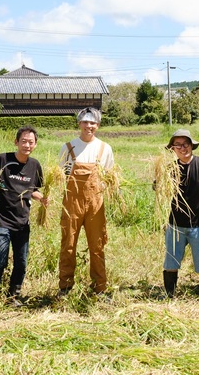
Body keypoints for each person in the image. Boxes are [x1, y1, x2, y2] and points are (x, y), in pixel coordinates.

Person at [0, 126, 47, 316]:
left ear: (35, 144)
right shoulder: (3, 160)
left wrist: (42, 198)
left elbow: (33, 190)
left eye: (31, 142)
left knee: (22, 262)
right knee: (0, 259)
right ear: (16, 142)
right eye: (23, 141)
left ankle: (13, 297)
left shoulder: (35, 165)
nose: (27, 145)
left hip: (22, 223)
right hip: (1, 221)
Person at [58, 107, 114, 295]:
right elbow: (59, 176)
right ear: (79, 123)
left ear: (97, 125)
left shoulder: (105, 148)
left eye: (93, 123)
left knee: (97, 246)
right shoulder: (67, 148)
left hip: (95, 204)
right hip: (71, 203)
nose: (88, 126)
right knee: (68, 244)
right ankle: (65, 287)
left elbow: (109, 177)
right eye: (85, 122)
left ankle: (99, 288)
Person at [162, 129, 199, 302]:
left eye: (185, 144)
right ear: (173, 148)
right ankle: (169, 294)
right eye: (178, 145)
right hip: (175, 224)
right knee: (171, 260)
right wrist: (158, 186)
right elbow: (163, 193)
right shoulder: (169, 169)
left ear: (191, 145)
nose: (182, 148)